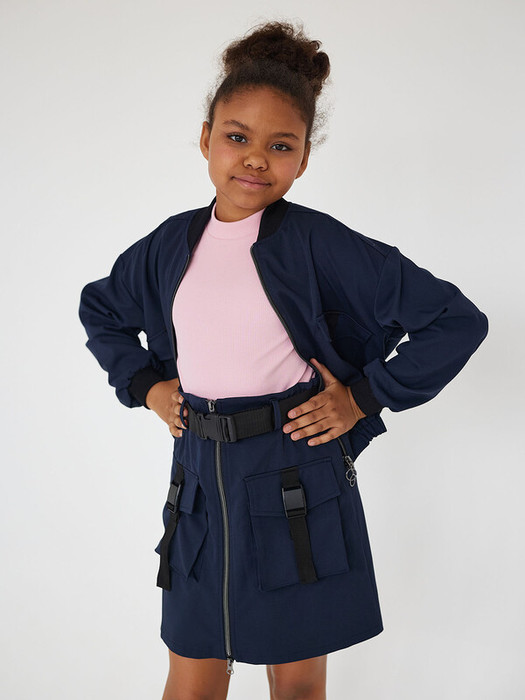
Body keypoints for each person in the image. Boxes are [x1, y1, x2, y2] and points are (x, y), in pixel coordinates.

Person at [79, 20, 488, 700]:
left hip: (294, 478)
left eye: (280, 145)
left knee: (296, 685)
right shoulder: (168, 246)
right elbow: (102, 309)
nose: (255, 160)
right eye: (237, 137)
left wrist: (363, 397)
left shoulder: (318, 243)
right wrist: (148, 386)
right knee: (191, 678)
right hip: (197, 483)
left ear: (302, 161)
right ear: (205, 138)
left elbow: (455, 320)